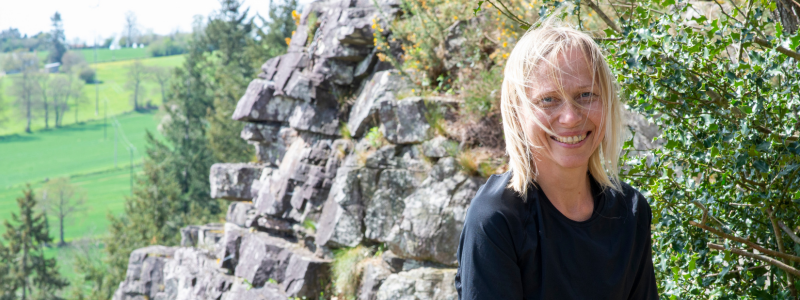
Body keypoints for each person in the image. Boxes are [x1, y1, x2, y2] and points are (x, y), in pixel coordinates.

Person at [454, 21, 659, 299]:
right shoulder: (496, 220)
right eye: (548, 99)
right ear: (517, 113)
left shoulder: (631, 211)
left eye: (585, 95)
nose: (571, 118)